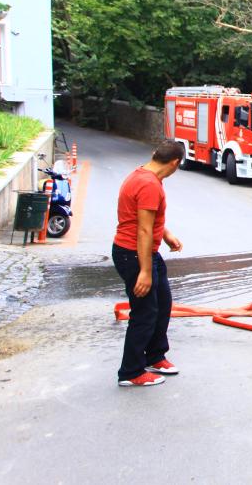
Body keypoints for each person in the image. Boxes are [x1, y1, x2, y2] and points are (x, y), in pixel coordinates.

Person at [112, 140, 184, 387]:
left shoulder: (144, 176)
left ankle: (155, 356)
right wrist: (144, 271)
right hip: (134, 254)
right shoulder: (149, 184)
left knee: (162, 303)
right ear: (175, 163)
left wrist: (166, 235)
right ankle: (131, 372)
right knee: (144, 312)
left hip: (145, 253)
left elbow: (148, 219)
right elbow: (143, 229)